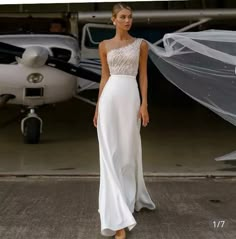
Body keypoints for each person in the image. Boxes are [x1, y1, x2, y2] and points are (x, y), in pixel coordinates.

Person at [93, 3, 156, 239]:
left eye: (130, 17)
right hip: (109, 100)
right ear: (113, 20)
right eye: (122, 17)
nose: (127, 20)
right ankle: (116, 217)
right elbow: (104, 77)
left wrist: (144, 104)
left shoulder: (141, 45)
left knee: (128, 153)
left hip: (130, 99)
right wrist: (98, 106)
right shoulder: (104, 45)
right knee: (109, 154)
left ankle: (126, 198)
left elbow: (143, 76)